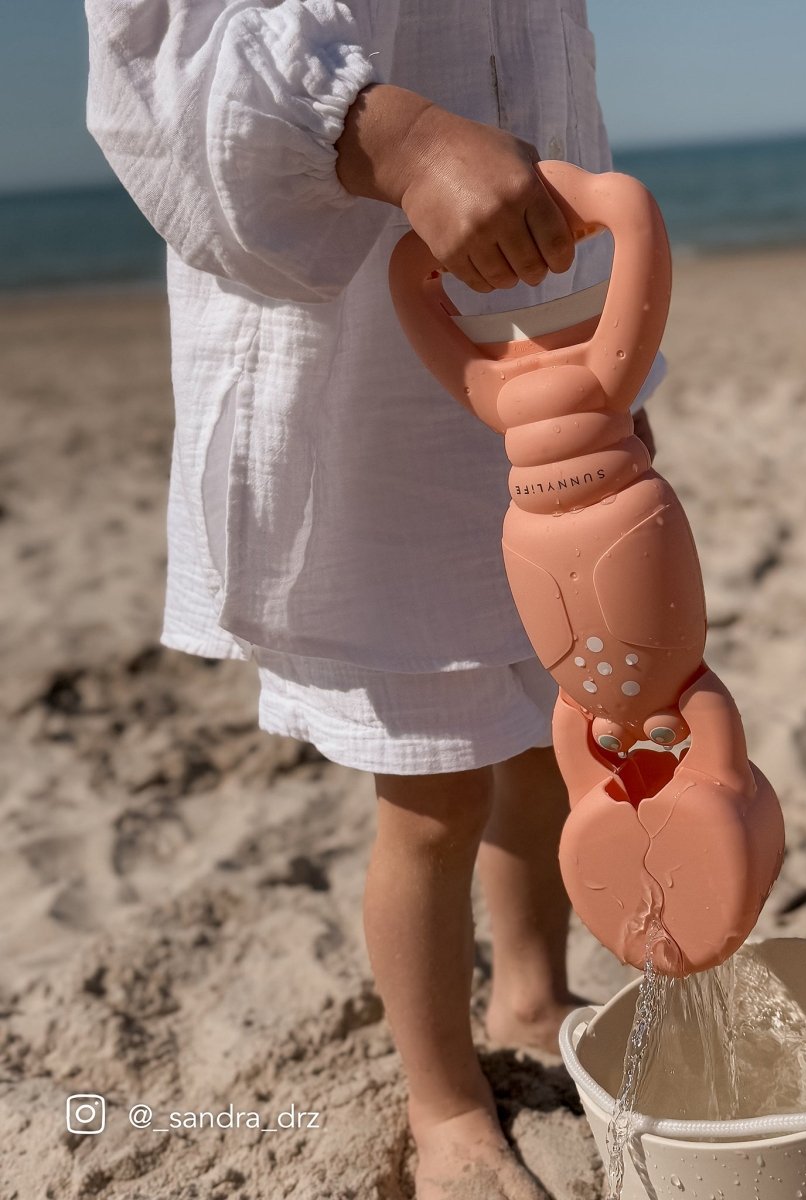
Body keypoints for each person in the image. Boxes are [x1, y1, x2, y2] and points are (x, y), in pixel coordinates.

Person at [84, 2, 665, 1196]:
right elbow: (165, 50)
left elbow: (543, 83)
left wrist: (612, 371)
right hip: (360, 386)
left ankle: (531, 993)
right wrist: (395, 137)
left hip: (537, 359)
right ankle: (443, 1102)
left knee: (555, 716)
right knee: (434, 790)